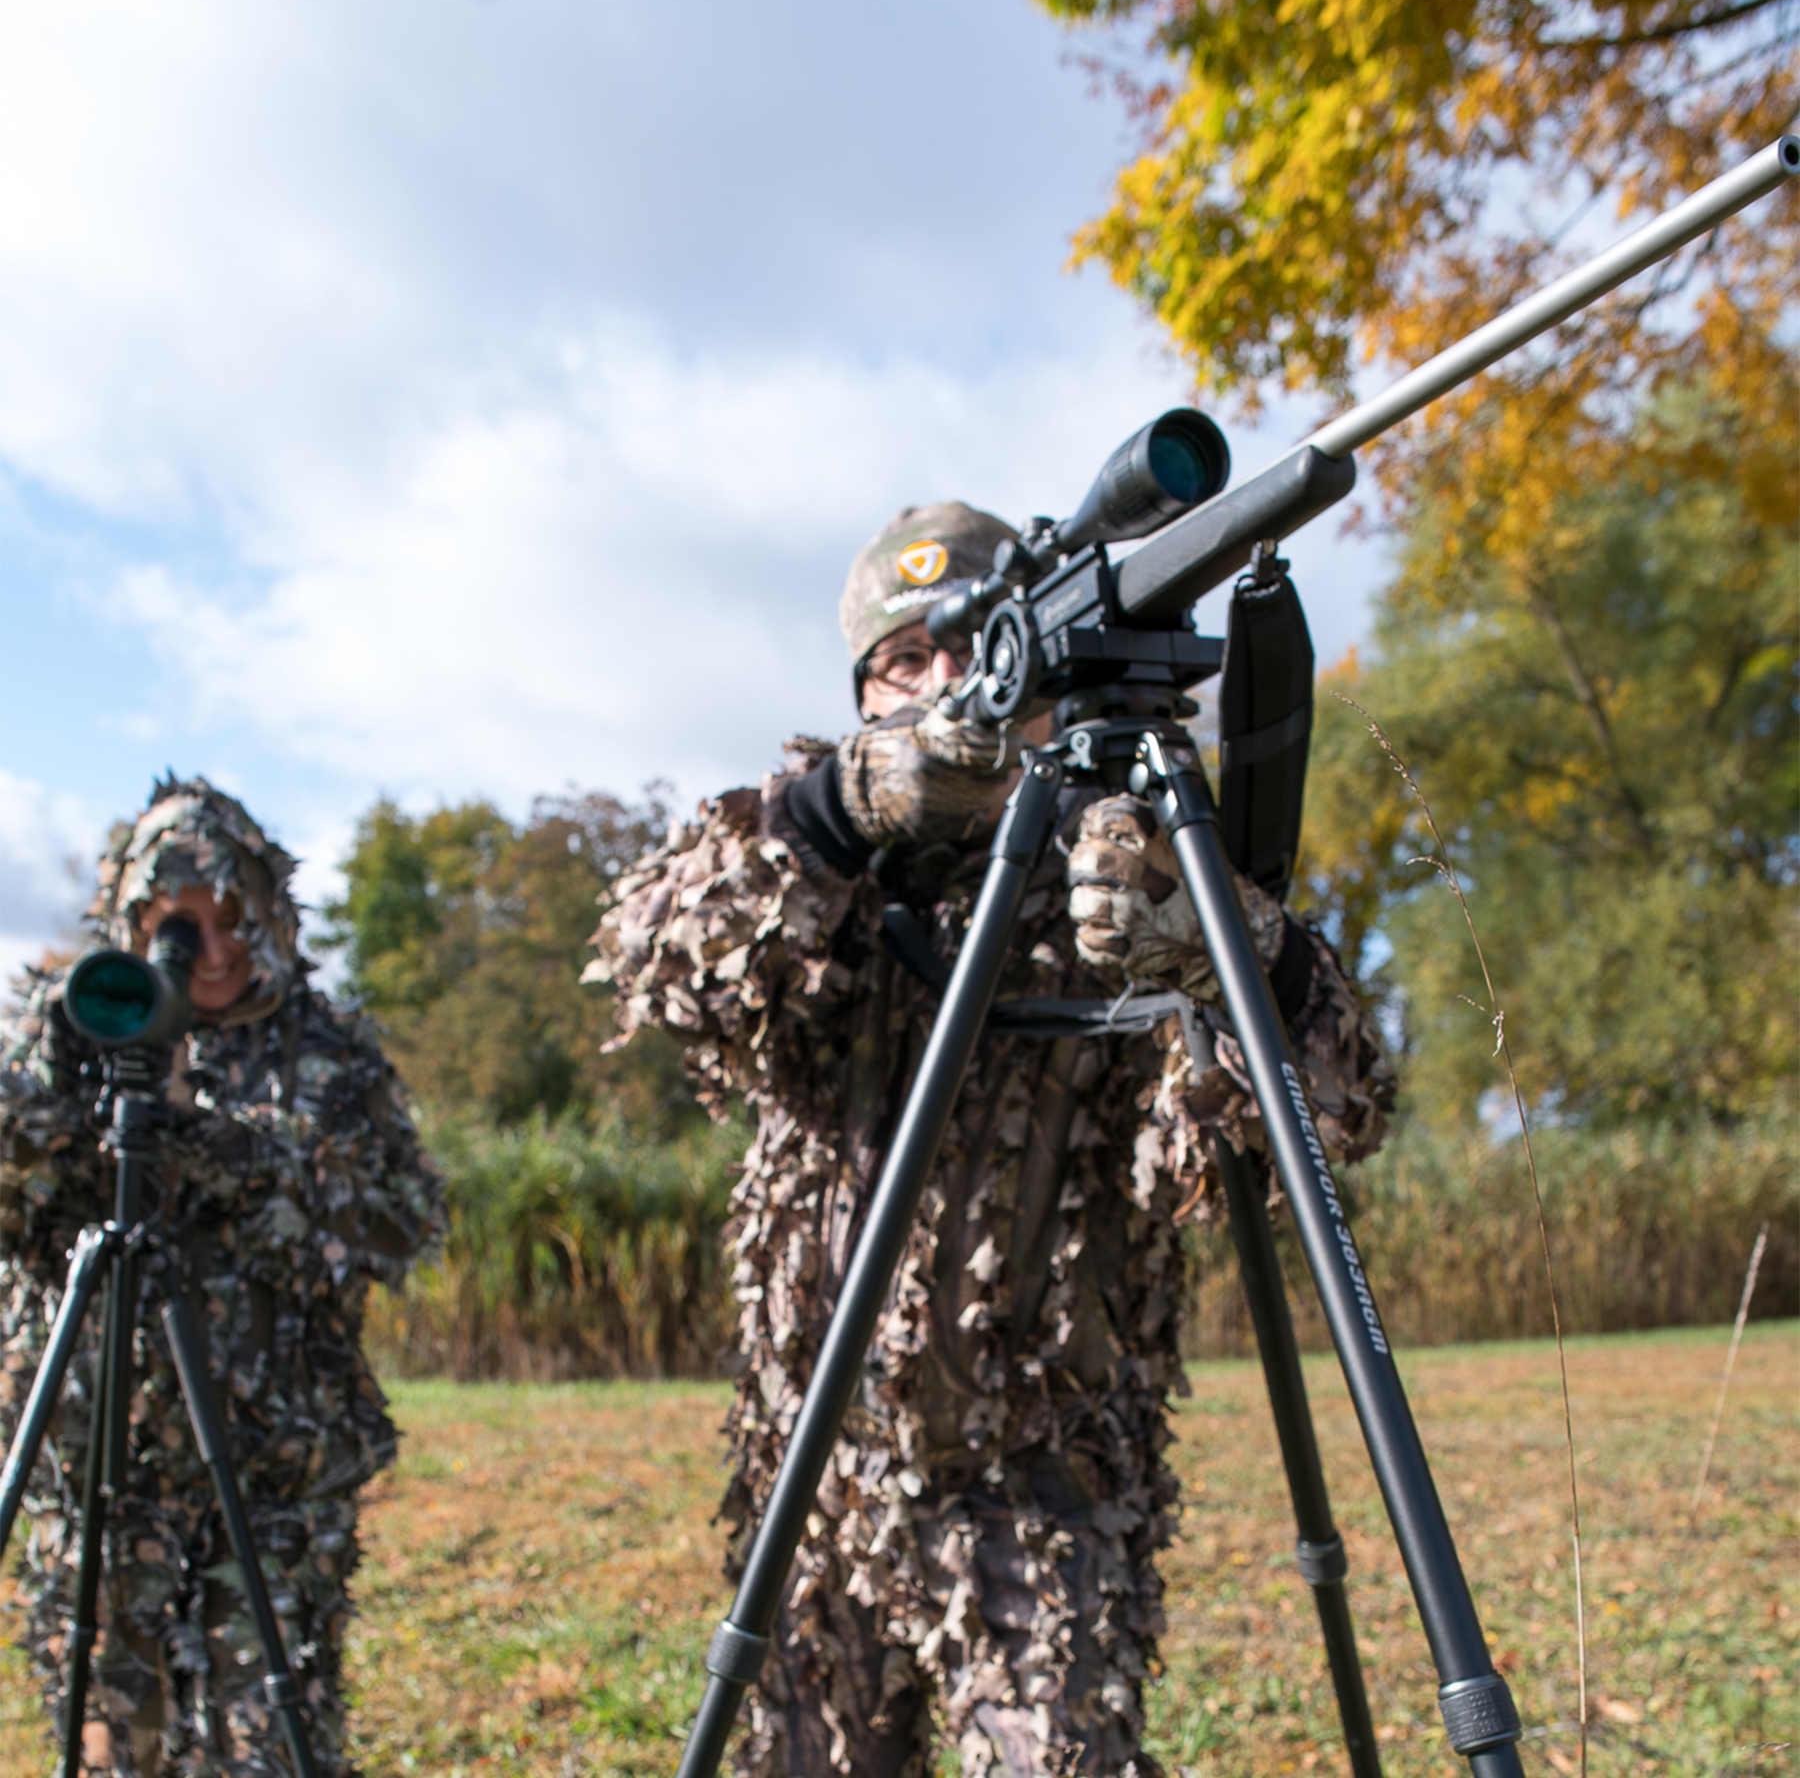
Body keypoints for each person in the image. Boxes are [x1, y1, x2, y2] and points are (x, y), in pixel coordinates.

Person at [587, 502, 1396, 1776]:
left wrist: (1216, 944)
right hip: (811, 1471)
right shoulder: (802, 835)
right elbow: (653, 962)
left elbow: (1331, 1113)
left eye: (969, 648)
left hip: (1042, 1486)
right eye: (902, 659)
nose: (937, 679)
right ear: (863, 693)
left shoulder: (1117, 863)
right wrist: (850, 810)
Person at [0, 776, 444, 1776]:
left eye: (232, 917)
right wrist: (63, 1080)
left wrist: (222, 1159)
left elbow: (404, 1221)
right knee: (116, 1746)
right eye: (178, 925)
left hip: (272, 1480)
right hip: (102, 1488)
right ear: (131, 923)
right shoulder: (68, 1027)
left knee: (269, 1749)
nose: (212, 945)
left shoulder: (327, 1056)